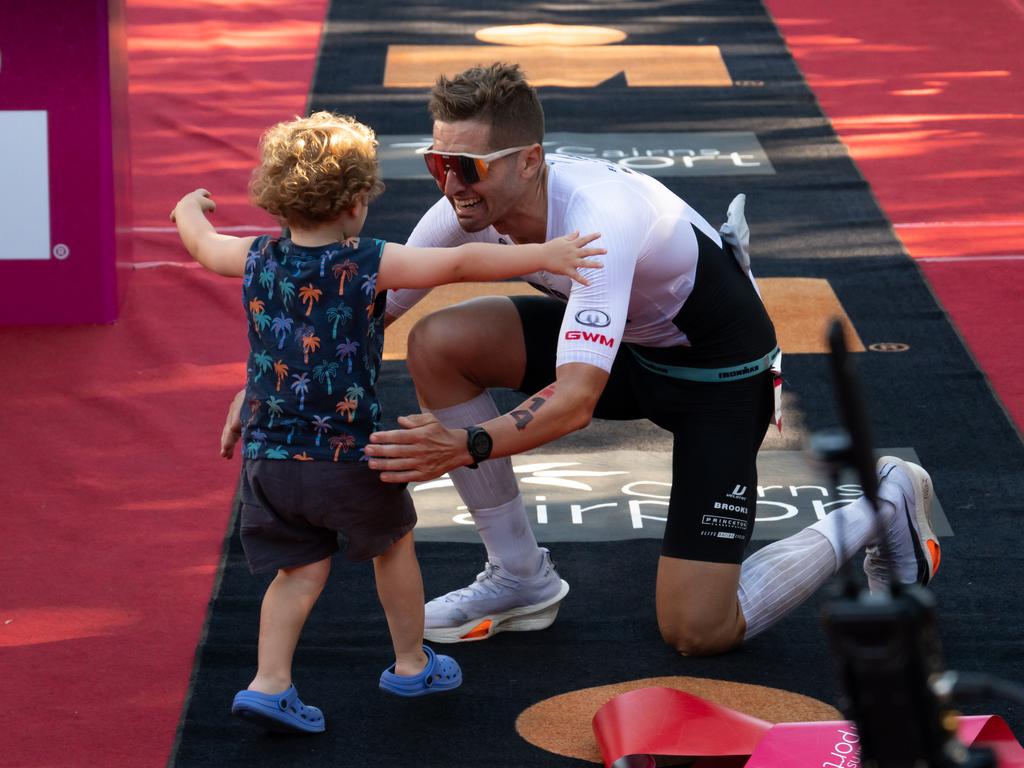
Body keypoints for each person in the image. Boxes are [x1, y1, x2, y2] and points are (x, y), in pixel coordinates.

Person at [357, 63, 942, 655]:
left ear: (529, 160)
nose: (451, 183)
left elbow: (575, 402)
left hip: (719, 382)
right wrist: (280, 384)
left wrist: (465, 445)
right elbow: (367, 316)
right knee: (438, 343)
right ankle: (519, 577)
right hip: (633, 351)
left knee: (697, 630)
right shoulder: (462, 213)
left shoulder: (596, 217)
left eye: (469, 167)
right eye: (438, 162)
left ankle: (884, 498)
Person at [172, 110, 605, 733]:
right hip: (346, 458)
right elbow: (458, 266)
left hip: (268, 462)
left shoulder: (251, 256)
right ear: (354, 203)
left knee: (297, 574)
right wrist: (549, 254)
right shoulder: (368, 262)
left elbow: (201, 244)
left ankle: (269, 682)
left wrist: (189, 207)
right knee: (393, 546)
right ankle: (410, 664)